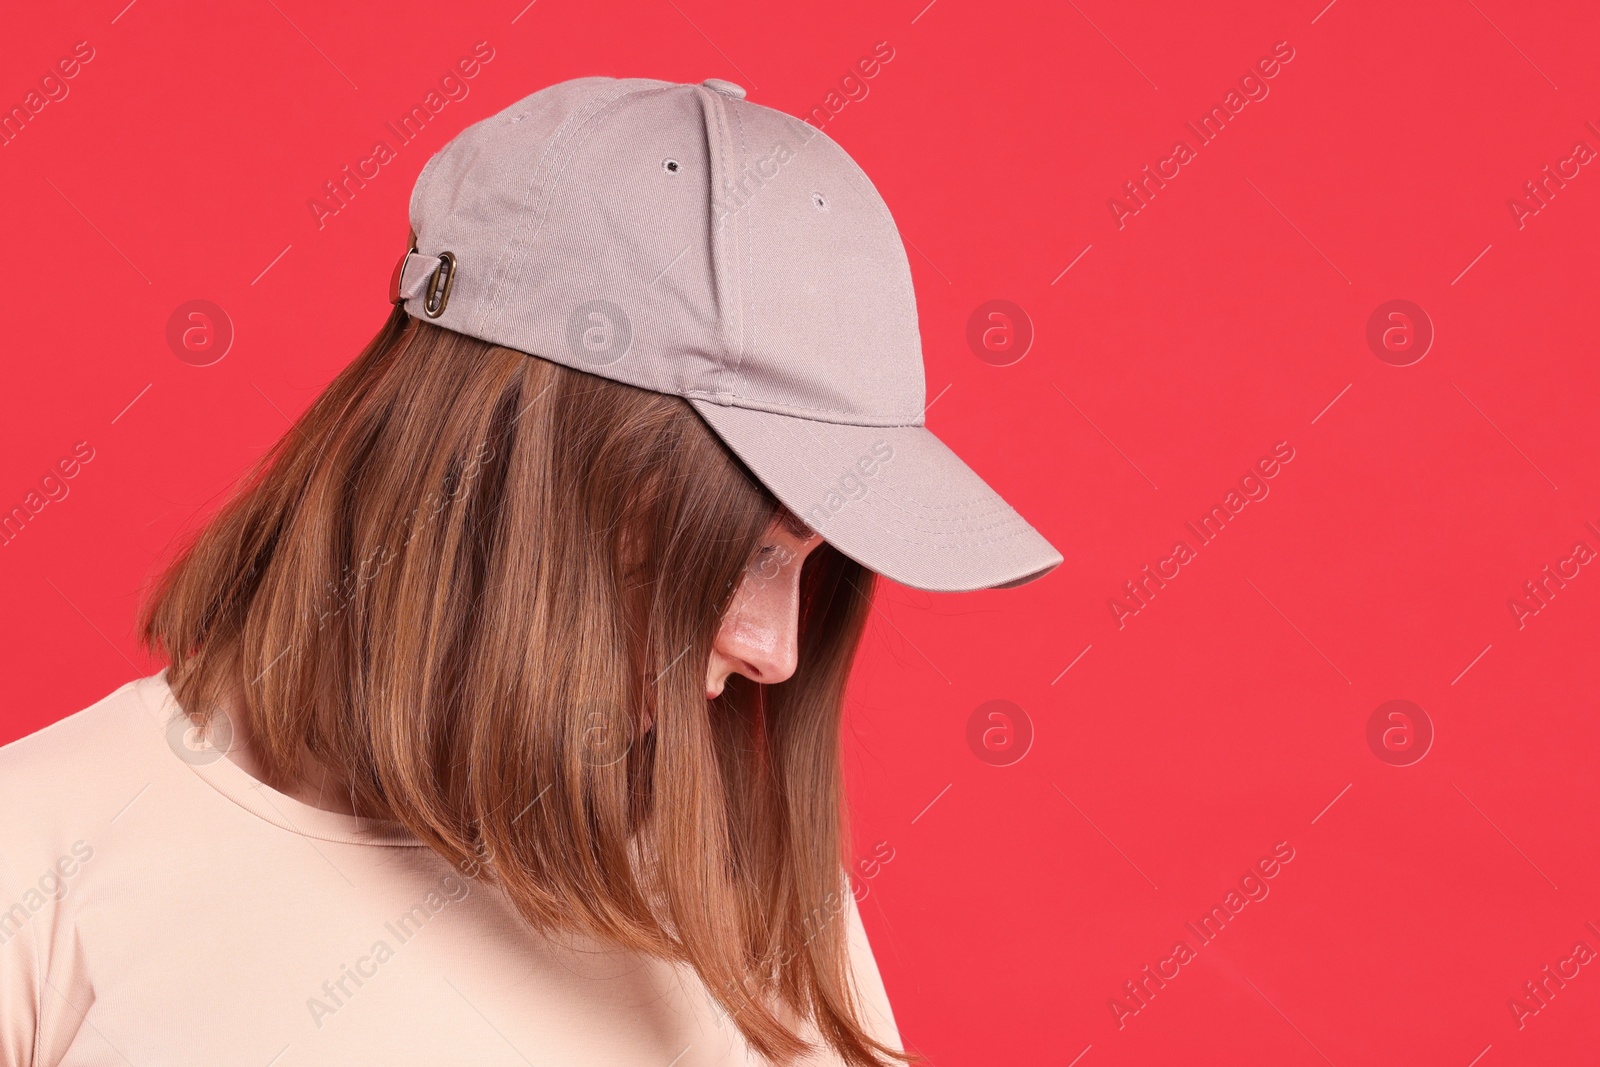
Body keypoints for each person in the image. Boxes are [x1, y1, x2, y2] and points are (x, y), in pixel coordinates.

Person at [0, 75, 1061, 1066]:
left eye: (806, 560)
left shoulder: (746, 889)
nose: (775, 650)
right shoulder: (38, 867)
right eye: (744, 552)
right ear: (503, 487)